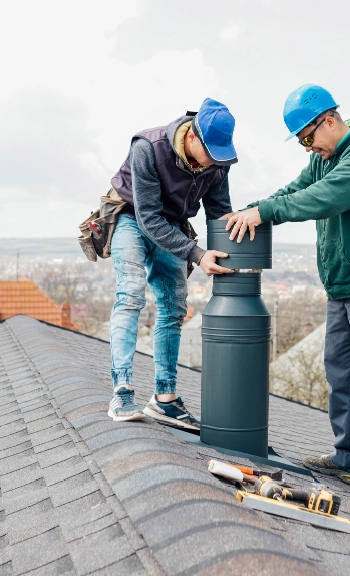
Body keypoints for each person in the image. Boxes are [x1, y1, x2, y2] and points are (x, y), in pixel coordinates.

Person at [226, 85, 350, 506]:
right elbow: (292, 192)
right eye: (301, 143)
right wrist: (249, 210)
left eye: (308, 138)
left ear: (329, 121)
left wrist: (266, 213)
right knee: (342, 376)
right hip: (343, 287)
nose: (307, 148)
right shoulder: (323, 159)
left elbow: (323, 199)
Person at [107, 98, 236, 428]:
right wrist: (196, 254)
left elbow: (219, 213)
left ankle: (164, 398)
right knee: (131, 295)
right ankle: (121, 392)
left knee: (174, 306)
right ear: (192, 137)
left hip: (173, 224)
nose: (214, 164)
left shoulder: (218, 163)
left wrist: (233, 245)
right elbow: (148, 217)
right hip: (133, 218)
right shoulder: (148, 148)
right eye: (211, 155)